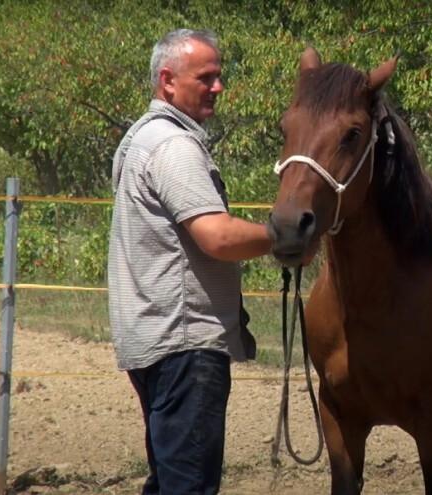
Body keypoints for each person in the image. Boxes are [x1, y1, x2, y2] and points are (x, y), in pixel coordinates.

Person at [108, 29, 273, 494]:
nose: (218, 87)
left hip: (153, 338)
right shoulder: (173, 146)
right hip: (184, 342)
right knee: (189, 486)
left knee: (169, 480)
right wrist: (280, 237)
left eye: (219, 77)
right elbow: (217, 237)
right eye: (206, 77)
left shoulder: (138, 139)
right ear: (168, 81)